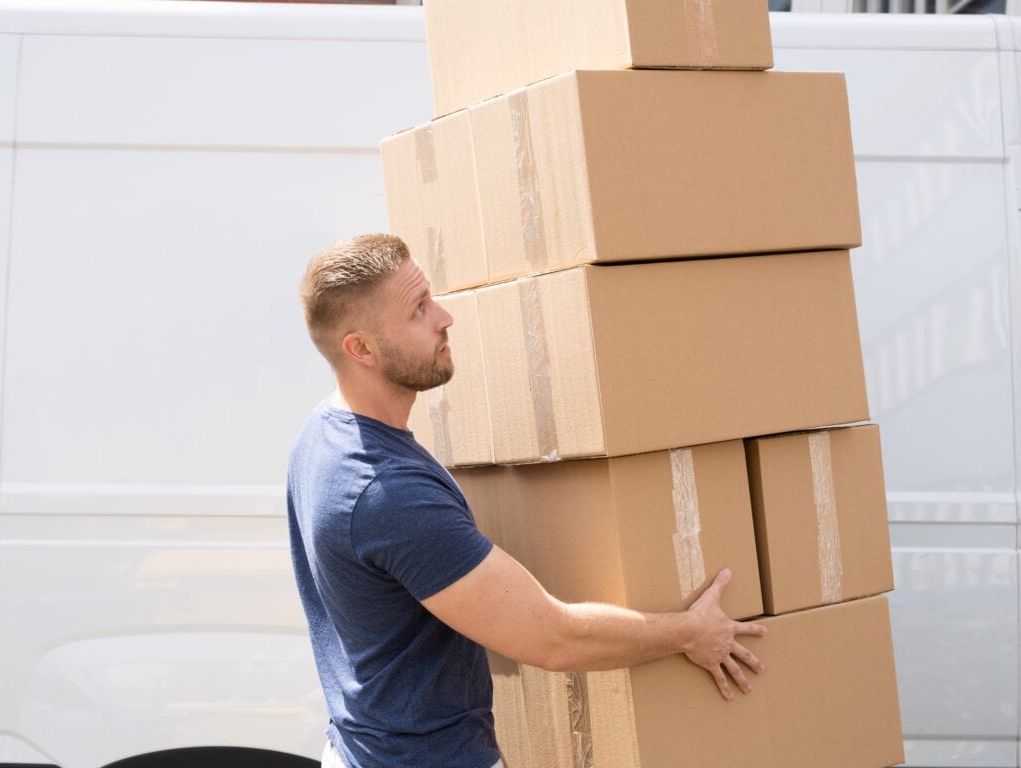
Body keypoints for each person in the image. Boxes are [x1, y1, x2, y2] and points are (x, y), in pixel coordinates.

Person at [287, 233, 767, 768]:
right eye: (418, 310)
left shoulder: (320, 437)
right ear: (362, 348)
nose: (444, 317)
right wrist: (690, 632)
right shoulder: (387, 495)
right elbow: (553, 639)